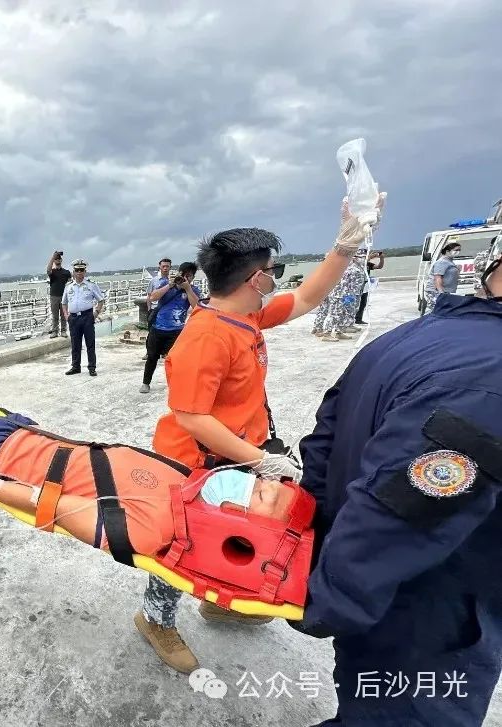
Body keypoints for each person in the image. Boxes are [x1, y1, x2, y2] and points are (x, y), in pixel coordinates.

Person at [135, 194, 386, 674]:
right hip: (192, 460)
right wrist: (259, 458)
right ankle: (156, 618)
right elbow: (190, 417)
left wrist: (344, 247)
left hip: (236, 455)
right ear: (255, 278)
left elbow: (309, 297)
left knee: (232, 526)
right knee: (175, 543)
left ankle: (217, 599)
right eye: (273, 269)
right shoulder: (206, 335)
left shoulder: (244, 315)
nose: (277, 277)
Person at [293, 248, 502, 726]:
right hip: (428, 613)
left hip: (380, 586)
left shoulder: (409, 336)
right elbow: (401, 509)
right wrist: (329, 601)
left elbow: (325, 437)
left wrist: (316, 544)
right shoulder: (490, 378)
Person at [0, 396, 302, 555]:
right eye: (264, 482)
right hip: (27, 433)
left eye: (261, 496)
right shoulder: (192, 486)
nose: (258, 483)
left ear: (242, 522)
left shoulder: (154, 528)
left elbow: (51, 509)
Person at [139, 262, 201, 393]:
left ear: (193, 277)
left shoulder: (193, 290)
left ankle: (176, 385)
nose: (186, 278)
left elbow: (197, 307)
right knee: (152, 357)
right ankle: (146, 382)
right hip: (158, 328)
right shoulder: (167, 285)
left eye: (189, 276)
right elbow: (153, 297)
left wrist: (188, 288)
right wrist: (170, 284)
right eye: (184, 275)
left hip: (177, 331)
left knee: (176, 359)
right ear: (179, 273)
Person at [61, 259, 105, 376]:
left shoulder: (91, 285)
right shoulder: (69, 286)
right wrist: (66, 315)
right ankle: (75, 367)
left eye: (82, 270)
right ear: (73, 272)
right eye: (77, 270)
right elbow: (64, 303)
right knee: (75, 344)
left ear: (85, 271)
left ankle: (92, 367)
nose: (79, 272)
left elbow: (100, 300)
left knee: (90, 343)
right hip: (73, 318)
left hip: (87, 317)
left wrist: (95, 313)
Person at [423, 241, 461, 315]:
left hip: (445, 291)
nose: (458, 252)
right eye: (456, 250)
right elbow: (437, 278)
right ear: (447, 251)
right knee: (434, 312)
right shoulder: (442, 262)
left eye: (459, 250)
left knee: (442, 312)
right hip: (436, 292)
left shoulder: (449, 261)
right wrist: (441, 293)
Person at [354, 250, 384, 325]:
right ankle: (351, 320)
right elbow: (361, 262)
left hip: (365, 285)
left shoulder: (367, 263)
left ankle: (358, 319)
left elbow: (379, 266)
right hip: (356, 286)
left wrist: (381, 258)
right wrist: (370, 257)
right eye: (364, 255)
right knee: (354, 303)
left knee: (363, 303)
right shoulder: (355, 263)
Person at [46, 251, 72, 338]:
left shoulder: (66, 272)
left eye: (59, 258)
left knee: (64, 315)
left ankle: (63, 331)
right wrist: (52, 257)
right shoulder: (52, 272)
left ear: (61, 260)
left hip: (64, 296)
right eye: (56, 259)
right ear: (54, 261)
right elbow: (48, 270)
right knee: (55, 315)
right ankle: (55, 331)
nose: (57, 260)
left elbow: (72, 281)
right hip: (53, 296)